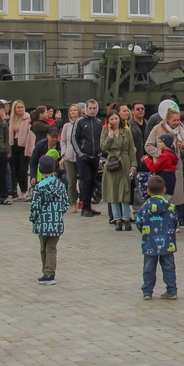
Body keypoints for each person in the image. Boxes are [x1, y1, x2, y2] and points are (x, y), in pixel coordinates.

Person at [136, 174, 179, 300]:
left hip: (149, 241)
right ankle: (171, 290)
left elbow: (139, 222)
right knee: (169, 266)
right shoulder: (170, 206)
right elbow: (175, 220)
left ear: (148, 191)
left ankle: (147, 291)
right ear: (164, 190)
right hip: (168, 241)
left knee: (149, 267)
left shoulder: (145, 207)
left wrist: (145, 232)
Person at [28, 156, 67, 286]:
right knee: (52, 247)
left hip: (42, 224)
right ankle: (49, 272)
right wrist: (59, 214)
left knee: (44, 248)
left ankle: (47, 273)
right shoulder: (60, 185)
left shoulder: (39, 187)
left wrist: (33, 218)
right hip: (56, 223)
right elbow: (65, 203)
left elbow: (35, 206)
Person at [101, 111, 137, 232]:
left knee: (125, 190)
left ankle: (126, 218)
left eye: (116, 118)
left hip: (125, 161)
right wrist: (110, 135)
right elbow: (103, 147)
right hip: (112, 162)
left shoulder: (126, 132)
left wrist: (133, 165)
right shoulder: (106, 132)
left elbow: (131, 149)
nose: (114, 121)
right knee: (113, 191)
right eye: (112, 119)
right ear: (108, 121)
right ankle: (117, 220)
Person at [73, 100, 104, 218]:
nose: (92, 110)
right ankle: (84, 207)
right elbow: (74, 138)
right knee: (85, 181)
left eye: (94, 108)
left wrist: (100, 152)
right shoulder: (80, 121)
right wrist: (80, 153)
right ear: (86, 108)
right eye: (90, 108)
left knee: (92, 181)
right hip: (83, 157)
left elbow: (101, 138)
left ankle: (89, 205)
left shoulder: (98, 122)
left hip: (95, 156)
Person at [7, 100, 35, 200]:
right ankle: (20, 191)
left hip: (24, 145)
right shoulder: (12, 120)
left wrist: (29, 148)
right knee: (16, 170)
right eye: (18, 107)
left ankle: (25, 191)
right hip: (14, 145)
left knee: (23, 170)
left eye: (21, 107)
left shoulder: (27, 119)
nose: (20, 109)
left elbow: (31, 135)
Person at [59, 104, 82, 213]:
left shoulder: (82, 124)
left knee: (83, 180)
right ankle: (73, 203)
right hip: (69, 156)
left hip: (81, 156)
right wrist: (63, 153)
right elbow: (63, 141)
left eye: (75, 110)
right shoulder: (66, 126)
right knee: (71, 181)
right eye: (71, 110)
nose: (73, 112)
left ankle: (83, 201)